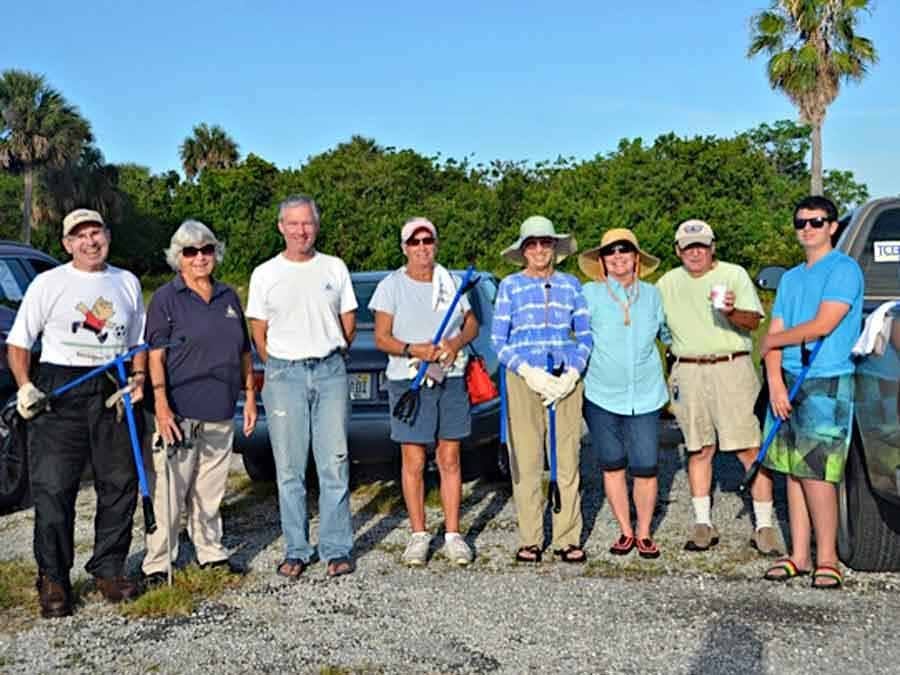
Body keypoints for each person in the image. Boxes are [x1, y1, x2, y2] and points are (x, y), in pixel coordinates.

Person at [7, 208, 146, 618]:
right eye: (79, 235)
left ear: (107, 236)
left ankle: (108, 568)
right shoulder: (48, 283)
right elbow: (19, 342)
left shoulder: (127, 282)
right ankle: (53, 578)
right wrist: (25, 386)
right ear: (67, 243)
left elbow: (139, 341)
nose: (90, 241)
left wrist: (137, 379)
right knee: (53, 488)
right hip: (58, 390)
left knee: (119, 483)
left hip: (112, 387)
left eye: (96, 232)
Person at [140, 220, 257, 587]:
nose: (200, 257)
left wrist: (250, 396)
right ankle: (158, 563)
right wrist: (161, 405)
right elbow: (154, 354)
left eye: (207, 249)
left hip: (221, 408)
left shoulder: (228, 296)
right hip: (179, 410)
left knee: (211, 488)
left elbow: (243, 352)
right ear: (179, 257)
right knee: (170, 491)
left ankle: (210, 551)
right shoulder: (165, 298)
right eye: (191, 252)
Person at [246, 195, 357, 579]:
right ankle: (296, 548)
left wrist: (327, 352)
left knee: (334, 464)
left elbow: (348, 322)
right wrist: (281, 361)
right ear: (281, 227)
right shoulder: (265, 274)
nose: (301, 231)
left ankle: (337, 548)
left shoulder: (334, 267)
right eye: (293, 224)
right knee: (290, 469)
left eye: (307, 223)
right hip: (283, 375)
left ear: (316, 225)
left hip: (329, 372)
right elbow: (258, 330)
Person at [759, 196, 863, 589]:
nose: (807, 228)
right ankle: (799, 555)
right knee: (791, 469)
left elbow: (822, 325)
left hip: (826, 378)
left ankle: (828, 558)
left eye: (816, 222)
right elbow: (775, 335)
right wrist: (774, 381)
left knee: (819, 474)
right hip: (787, 379)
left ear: (832, 226)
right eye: (801, 222)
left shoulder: (844, 270)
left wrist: (773, 340)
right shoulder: (790, 278)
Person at [656, 219, 778, 554]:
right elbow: (655, 326)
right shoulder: (667, 282)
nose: (695, 253)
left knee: (749, 448)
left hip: (732, 366)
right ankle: (702, 523)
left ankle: (764, 526)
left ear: (712, 248)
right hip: (688, 369)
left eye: (701, 246)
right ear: (678, 250)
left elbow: (754, 321)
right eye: (688, 247)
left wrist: (730, 311)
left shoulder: (733, 274)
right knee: (698, 449)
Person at [369, 218, 479, 566]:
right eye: (414, 241)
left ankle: (452, 534)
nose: (421, 247)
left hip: (451, 376)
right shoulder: (391, 286)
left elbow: (472, 323)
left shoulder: (451, 283)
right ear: (404, 247)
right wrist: (412, 350)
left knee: (449, 457)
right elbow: (381, 337)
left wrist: (455, 341)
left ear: (435, 243)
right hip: (409, 381)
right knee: (413, 459)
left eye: (427, 240)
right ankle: (418, 534)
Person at [491, 215, 592, 563]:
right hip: (524, 377)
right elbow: (497, 341)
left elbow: (585, 335)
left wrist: (572, 373)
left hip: (564, 378)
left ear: (554, 247)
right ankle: (531, 537)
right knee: (527, 458)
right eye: (531, 244)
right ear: (522, 250)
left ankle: (567, 537)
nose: (538, 250)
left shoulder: (571, 285)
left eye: (544, 243)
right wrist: (526, 370)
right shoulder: (510, 286)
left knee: (567, 458)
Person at [579, 228, 667, 558]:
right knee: (612, 463)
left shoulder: (653, 294)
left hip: (645, 392)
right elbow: (574, 334)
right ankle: (625, 530)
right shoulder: (589, 293)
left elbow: (668, 334)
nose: (617, 257)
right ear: (601, 261)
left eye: (624, 250)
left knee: (646, 465)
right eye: (610, 252)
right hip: (601, 392)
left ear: (636, 258)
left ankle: (645, 532)